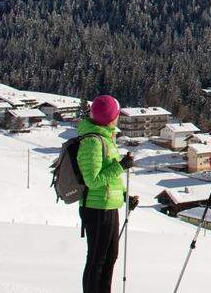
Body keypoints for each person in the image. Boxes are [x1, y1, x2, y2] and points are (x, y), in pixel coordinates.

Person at [77, 94, 138, 293]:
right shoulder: (93, 141)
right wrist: (121, 166)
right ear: (111, 117)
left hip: (108, 205)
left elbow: (109, 179)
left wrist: (123, 197)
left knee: (109, 258)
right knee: (97, 260)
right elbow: (92, 180)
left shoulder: (104, 138)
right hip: (96, 208)